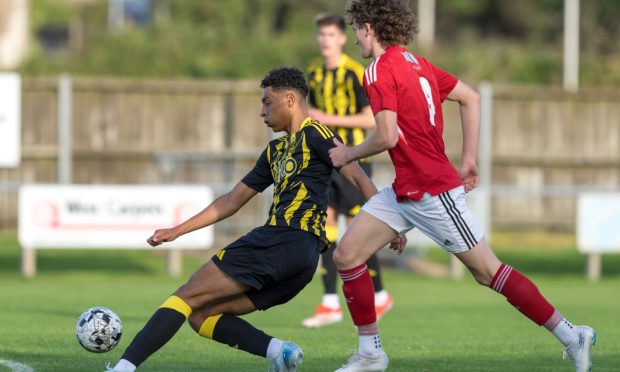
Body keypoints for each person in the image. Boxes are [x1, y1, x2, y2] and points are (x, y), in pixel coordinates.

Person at [328, 1, 596, 371]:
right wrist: (468, 159)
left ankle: (572, 334)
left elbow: (386, 136)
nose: (355, 37)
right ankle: (371, 354)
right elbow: (470, 97)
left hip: (432, 192)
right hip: (407, 189)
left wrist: (348, 155)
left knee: (488, 271)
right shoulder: (417, 64)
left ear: (369, 29)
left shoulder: (376, 70)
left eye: (356, 28)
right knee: (347, 254)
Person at [106, 67, 386, 372]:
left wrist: (386, 220)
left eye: (268, 102)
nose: (262, 111)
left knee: (184, 295)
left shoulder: (315, 133)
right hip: (301, 263)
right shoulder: (275, 150)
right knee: (200, 315)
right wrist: (176, 231)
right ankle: (279, 351)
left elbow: (356, 174)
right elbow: (231, 201)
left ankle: (123, 368)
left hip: (284, 239)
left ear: (290, 99)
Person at [301, 12, 393, 329]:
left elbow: (369, 120)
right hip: (325, 162)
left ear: (342, 38)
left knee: (357, 231)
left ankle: (379, 294)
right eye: (321, 35)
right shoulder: (313, 74)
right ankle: (329, 303)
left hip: (353, 161)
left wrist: (325, 118)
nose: (325, 40)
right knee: (323, 225)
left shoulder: (356, 73)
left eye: (331, 35)